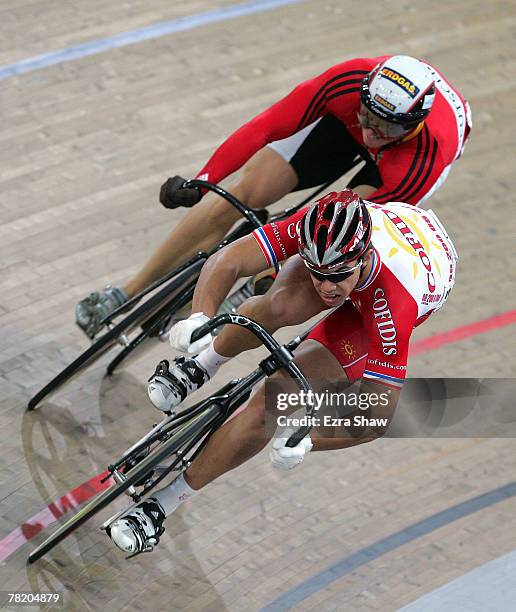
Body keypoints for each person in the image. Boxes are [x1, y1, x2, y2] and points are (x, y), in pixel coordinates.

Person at [106, 187, 458, 555]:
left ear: (365, 256)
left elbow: (378, 413)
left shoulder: (394, 305)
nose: (325, 286)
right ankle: (200, 364)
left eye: (336, 275)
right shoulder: (315, 230)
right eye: (316, 272)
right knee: (280, 303)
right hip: (382, 237)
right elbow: (230, 260)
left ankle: (162, 504)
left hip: (400, 284)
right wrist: (200, 317)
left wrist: (310, 439)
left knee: (273, 408)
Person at [75, 54, 471, 338]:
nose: (371, 134)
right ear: (363, 95)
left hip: (398, 167)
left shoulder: (423, 161)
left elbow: (346, 241)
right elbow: (267, 127)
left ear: (414, 123)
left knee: (328, 235)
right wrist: (202, 179)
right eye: (368, 118)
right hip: (339, 128)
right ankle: (124, 293)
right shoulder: (347, 82)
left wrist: (281, 259)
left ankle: (240, 293)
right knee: (240, 193)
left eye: (385, 128)